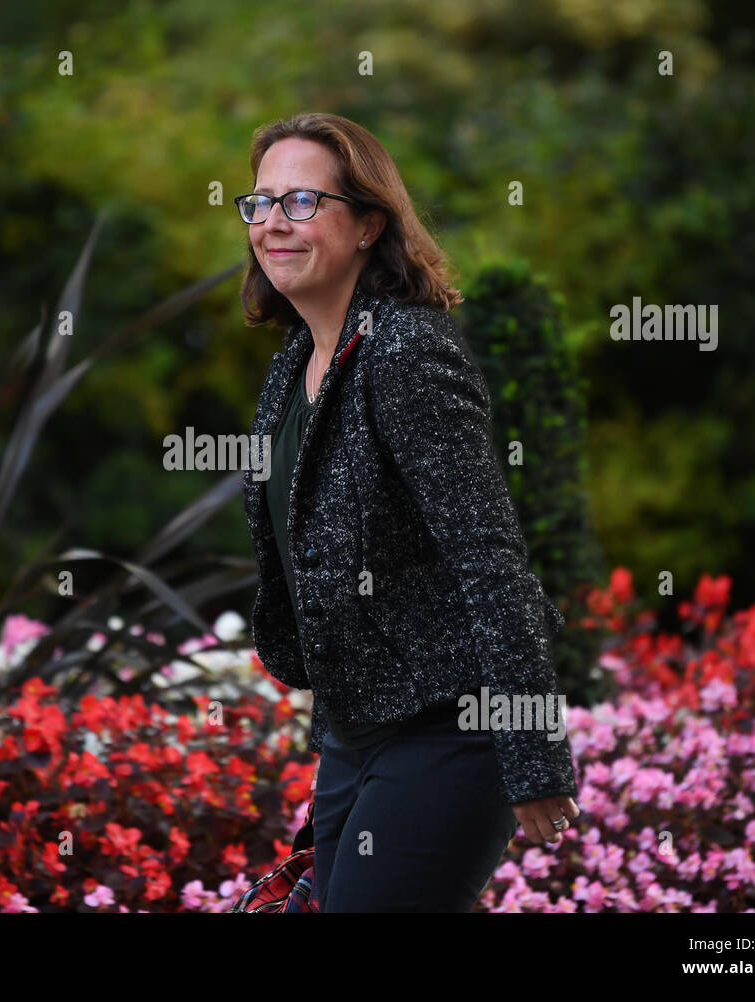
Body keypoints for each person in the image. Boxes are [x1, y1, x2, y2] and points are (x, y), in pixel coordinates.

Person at [237, 113, 581, 912]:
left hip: (453, 729)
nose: (272, 223)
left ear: (367, 224)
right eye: (258, 204)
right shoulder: (294, 365)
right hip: (357, 734)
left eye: (300, 201)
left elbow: (489, 553)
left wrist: (531, 752)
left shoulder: (407, 351)